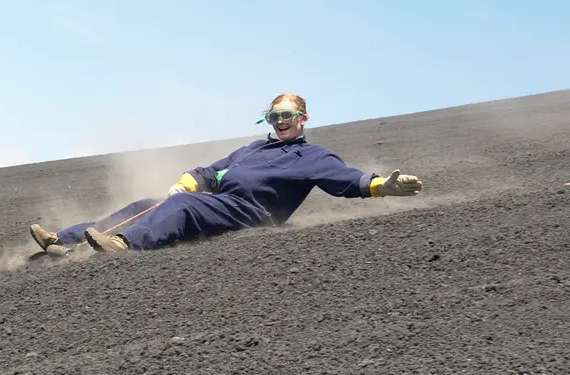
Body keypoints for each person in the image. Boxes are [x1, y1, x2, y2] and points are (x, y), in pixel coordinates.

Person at [29, 93, 423, 255]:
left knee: (183, 207)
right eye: (274, 116)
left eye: (287, 115)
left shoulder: (312, 155)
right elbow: (213, 172)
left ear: (302, 118)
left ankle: (124, 245)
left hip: (251, 214)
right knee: (148, 202)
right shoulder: (253, 148)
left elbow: (345, 180)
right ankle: (64, 239)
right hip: (222, 201)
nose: (280, 121)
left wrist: (379, 186)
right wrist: (188, 179)